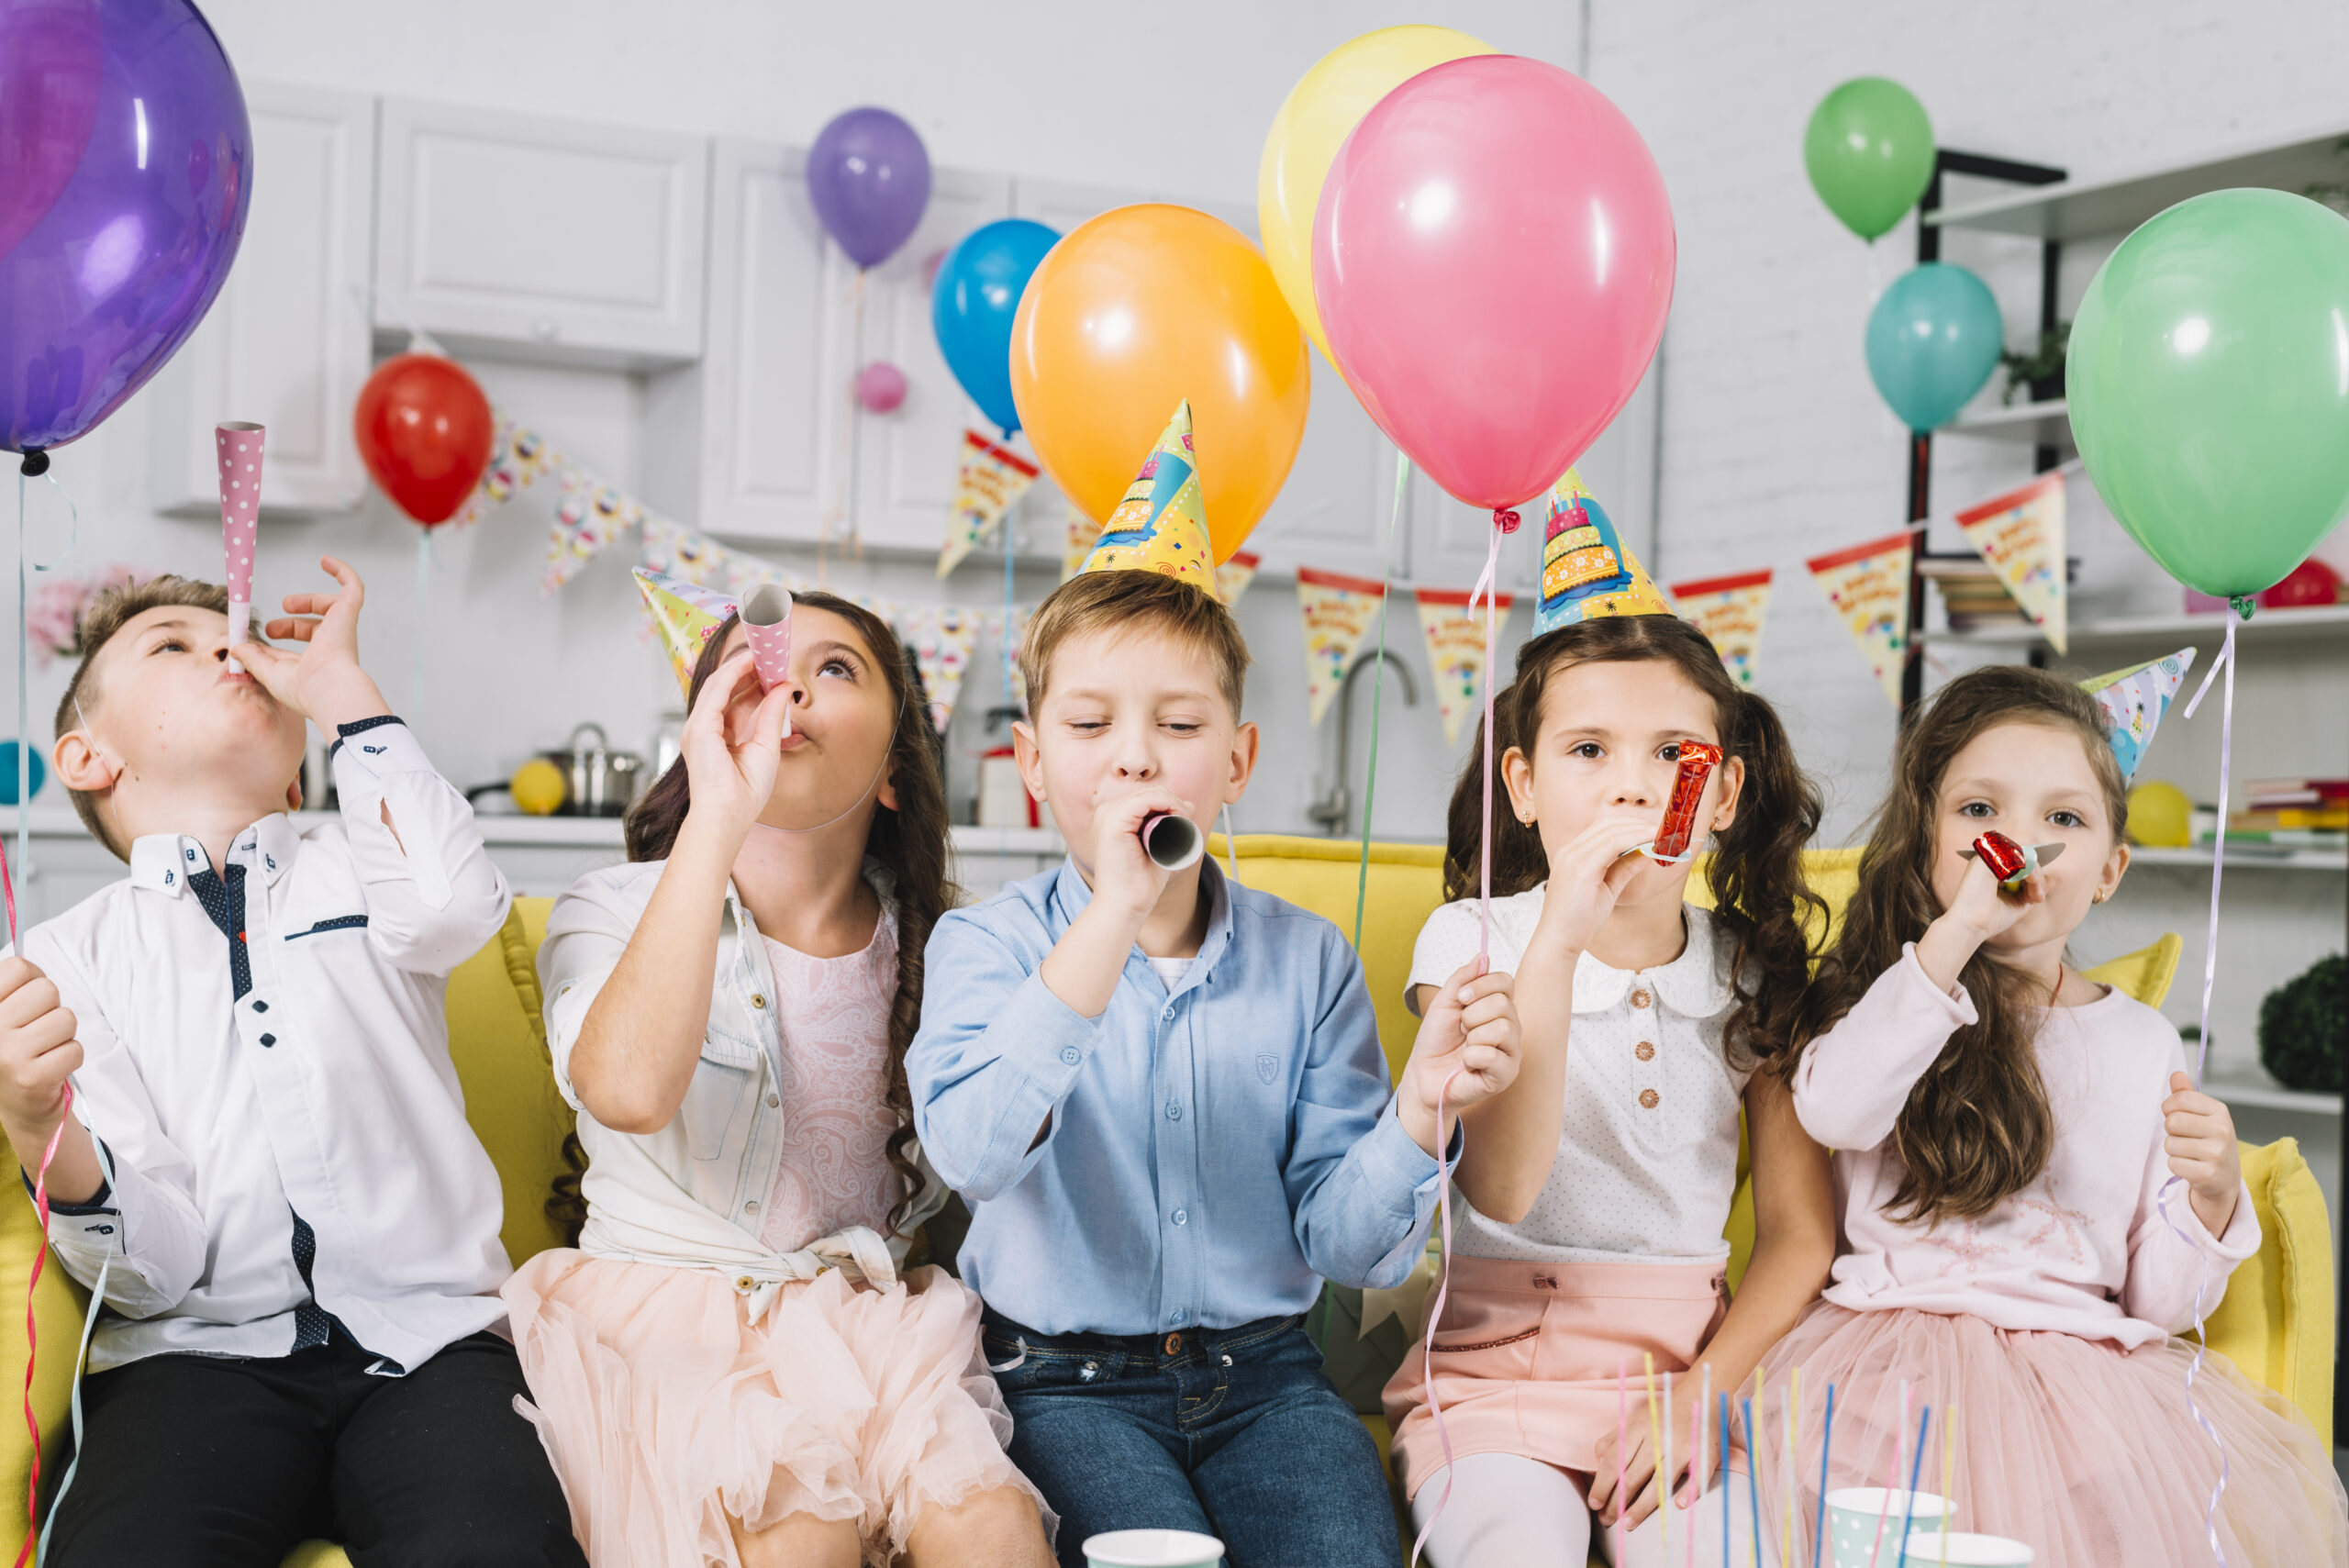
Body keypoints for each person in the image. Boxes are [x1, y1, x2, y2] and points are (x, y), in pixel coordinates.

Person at [908, 406, 1523, 1568]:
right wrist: (1112, 918)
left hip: (1267, 1378)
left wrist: (1419, 1112)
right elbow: (978, 1154)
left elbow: (1349, 1246)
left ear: (1232, 764)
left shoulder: (1310, 961)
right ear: (1034, 765)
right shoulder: (982, 945)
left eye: (1177, 723)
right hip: (1060, 1383)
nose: (1134, 754)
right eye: (1090, 723)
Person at [0, 564, 580, 1566]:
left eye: (238, 640)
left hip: (435, 1351)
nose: (230, 648)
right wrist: (34, 1119)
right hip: (191, 1364)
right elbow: (157, 1267)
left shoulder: (364, 865)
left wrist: (344, 687)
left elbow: (453, 901)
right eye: (173, 644)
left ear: (302, 773)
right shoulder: (64, 959)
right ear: (88, 755)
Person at [508, 588, 1052, 1568]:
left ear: (892, 771)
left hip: (870, 1333)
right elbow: (626, 1090)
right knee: (805, 1533)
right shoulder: (612, 905)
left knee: (996, 1534)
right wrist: (719, 810)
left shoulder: (950, 943)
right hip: (671, 1327)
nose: (789, 679)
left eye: (835, 666)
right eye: (754, 663)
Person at [1761, 664, 2349, 1566]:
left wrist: (2211, 1197)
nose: (2017, 844)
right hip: (1886, 1356)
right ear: (1928, 842)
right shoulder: (1895, 996)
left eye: (2062, 819)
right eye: (1978, 811)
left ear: (2109, 869)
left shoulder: (2143, 1041)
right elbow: (1835, 1110)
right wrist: (1951, 939)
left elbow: (2160, 1299)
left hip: (2081, 1378)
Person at [1389, 600, 1837, 1568]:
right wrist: (1559, 931)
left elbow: (1802, 1233)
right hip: (1493, 1369)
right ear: (1524, 784)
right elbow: (1502, 1183)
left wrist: (1702, 1397)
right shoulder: (1475, 943)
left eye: (1670, 753)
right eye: (1587, 750)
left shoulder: (1753, 969)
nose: (1630, 787)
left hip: (1684, 1372)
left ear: (1718, 794)